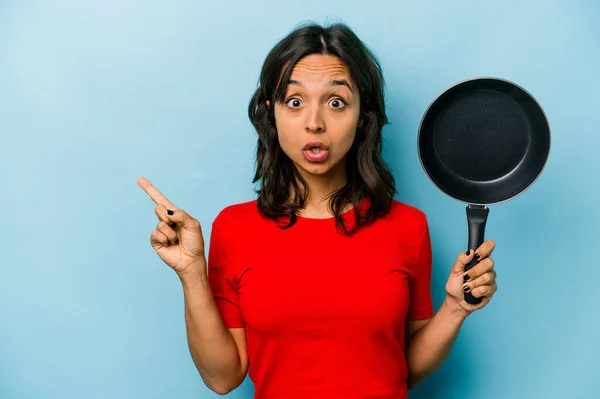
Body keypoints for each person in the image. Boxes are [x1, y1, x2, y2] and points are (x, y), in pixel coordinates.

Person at [137, 22, 498, 399]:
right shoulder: (234, 228)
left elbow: (402, 370)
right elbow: (222, 378)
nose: (314, 122)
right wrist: (192, 273)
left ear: (363, 116)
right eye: (295, 102)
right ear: (270, 113)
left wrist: (455, 309)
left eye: (336, 102)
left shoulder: (408, 226)